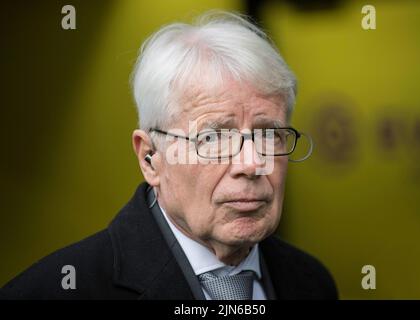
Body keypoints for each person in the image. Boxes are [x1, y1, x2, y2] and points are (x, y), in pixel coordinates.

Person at [1, 11, 337, 300]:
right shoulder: (57, 291)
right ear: (150, 158)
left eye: (268, 135)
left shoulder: (311, 283)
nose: (251, 163)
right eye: (213, 138)